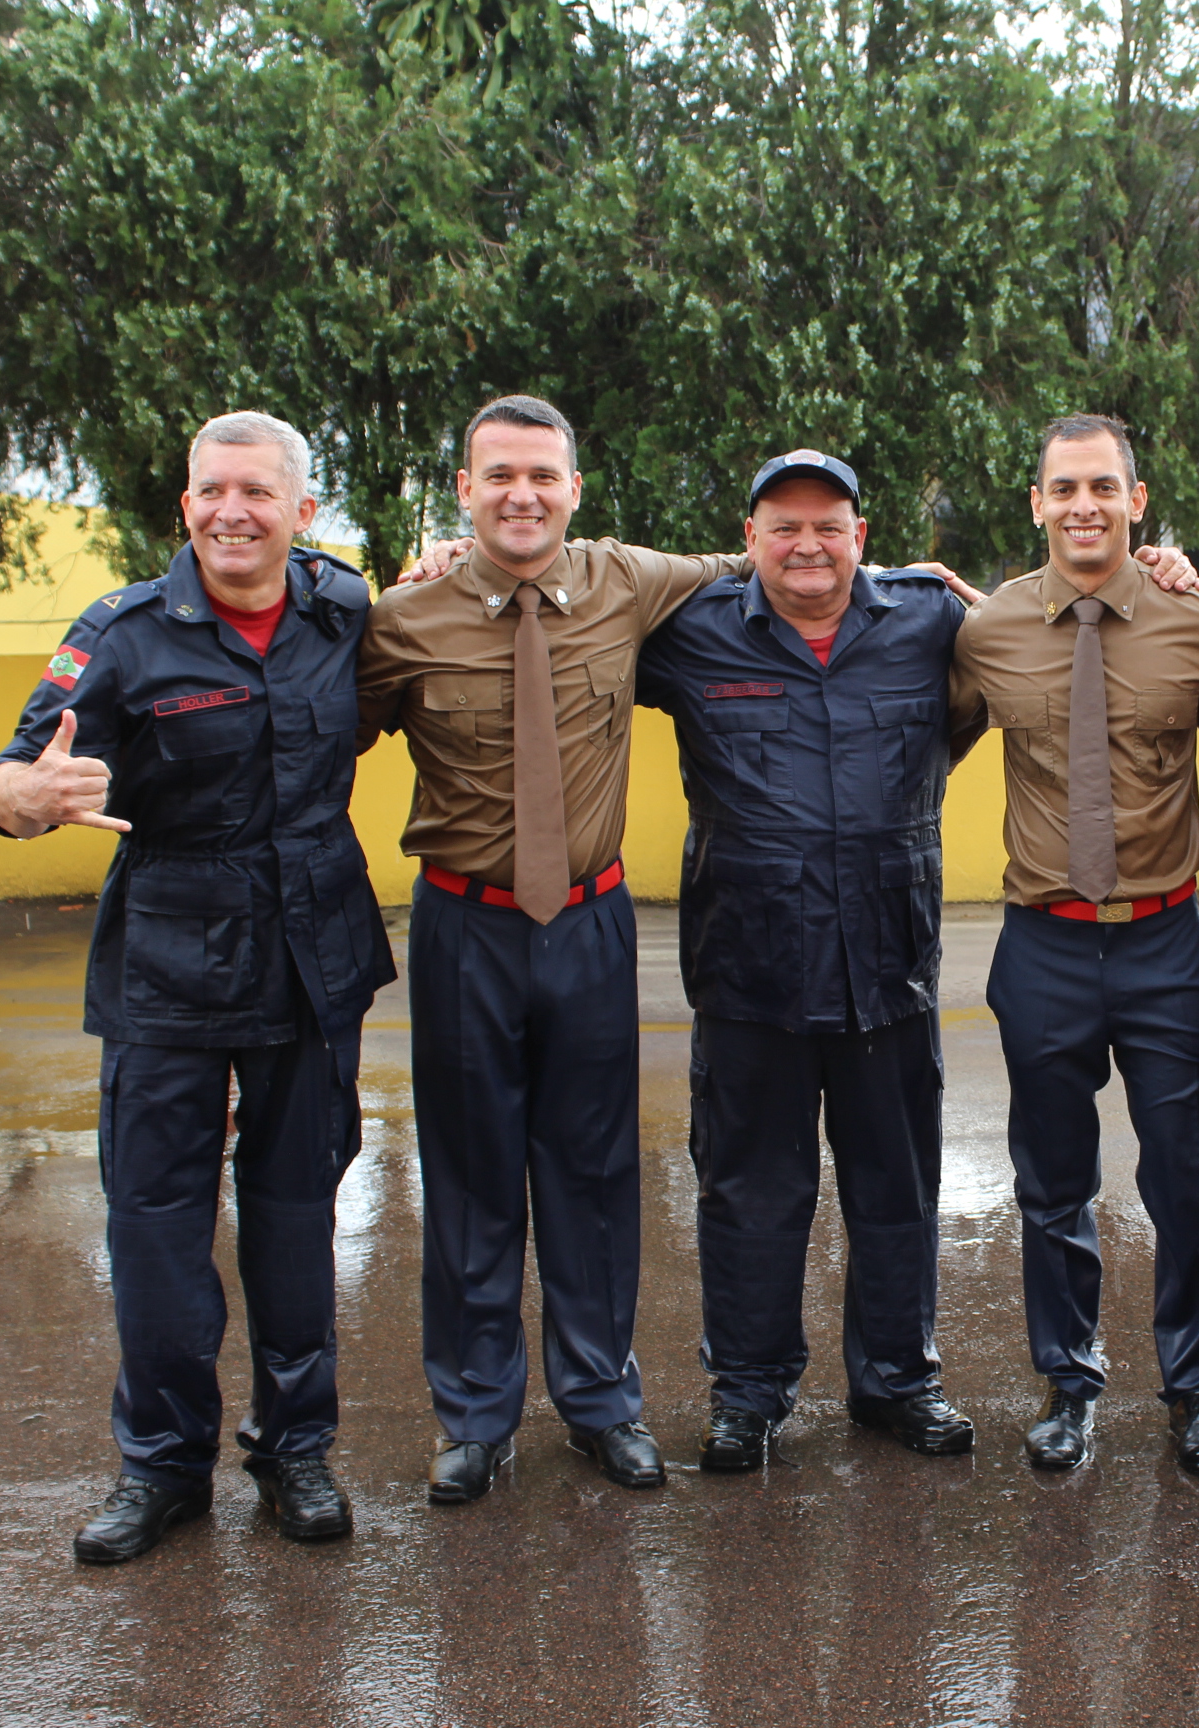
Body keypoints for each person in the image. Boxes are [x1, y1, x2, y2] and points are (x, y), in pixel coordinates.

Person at [0, 411, 392, 1563]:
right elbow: (12, 775)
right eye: (212, 491)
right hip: (168, 960)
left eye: (257, 493)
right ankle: (162, 1467)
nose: (232, 512)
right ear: (186, 506)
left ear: (302, 514)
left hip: (313, 953)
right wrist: (25, 801)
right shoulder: (121, 634)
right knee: (157, 1225)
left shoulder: (340, 610)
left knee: (297, 1210)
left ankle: (295, 1451)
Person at [357, 395, 755, 1498]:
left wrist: (931, 586)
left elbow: (761, 560)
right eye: (499, 476)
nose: (521, 494)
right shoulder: (405, 620)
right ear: (465, 492)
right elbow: (318, 727)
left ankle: (599, 1400)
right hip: (463, 928)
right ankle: (477, 1414)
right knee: (471, 1172)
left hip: (588, 921)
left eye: (542, 475)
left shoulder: (624, 580)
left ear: (575, 489)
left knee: (592, 1171)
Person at [631, 450, 978, 1471]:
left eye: (828, 524)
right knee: (747, 1192)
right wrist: (455, 569)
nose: (807, 544)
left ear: (860, 536)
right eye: (782, 525)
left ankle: (897, 1382)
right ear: (749, 541)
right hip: (751, 971)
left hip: (888, 965)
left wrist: (1166, 578)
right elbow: (567, 623)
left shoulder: (931, 621)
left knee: (896, 1188)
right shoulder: (692, 631)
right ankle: (750, 1393)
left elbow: (1048, 641)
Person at [949, 413, 1199, 1476]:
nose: (1083, 506)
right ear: (1036, 505)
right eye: (1063, 489)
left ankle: (1195, 1388)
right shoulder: (987, 632)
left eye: (1102, 488)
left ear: (1137, 499)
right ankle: (1068, 1383)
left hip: (1166, 943)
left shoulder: (1194, 625)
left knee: (1182, 1179)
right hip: (1045, 949)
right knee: (1052, 1183)